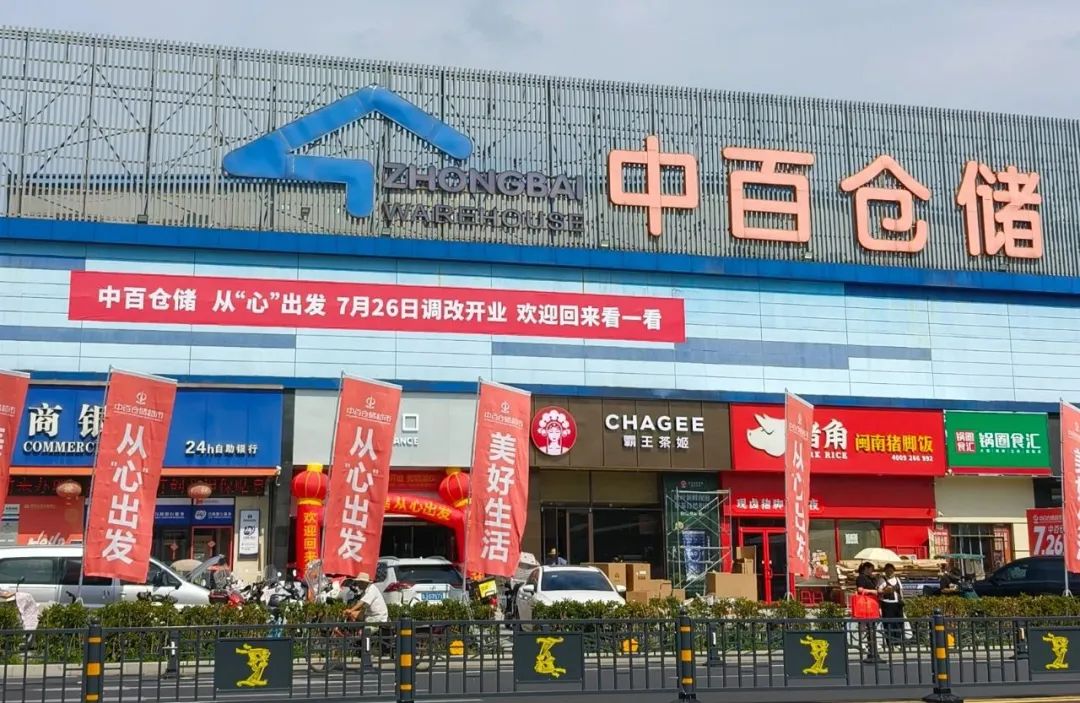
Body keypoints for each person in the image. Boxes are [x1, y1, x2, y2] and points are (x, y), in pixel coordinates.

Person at [854, 561, 881, 664]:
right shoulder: (861, 578)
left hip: (872, 603)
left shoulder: (871, 578)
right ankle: (863, 642)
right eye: (871, 569)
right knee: (863, 624)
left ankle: (872, 644)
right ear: (866, 568)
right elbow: (860, 589)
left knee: (872, 624)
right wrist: (871, 591)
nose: (872, 571)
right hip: (865, 602)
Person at [877, 564, 905, 647]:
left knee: (899, 622)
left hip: (897, 604)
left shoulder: (897, 579)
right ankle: (890, 642)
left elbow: (901, 591)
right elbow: (879, 591)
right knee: (889, 623)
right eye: (888, 570)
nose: (889, 572)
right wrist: (886, 591)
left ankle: (898, 641)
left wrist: (902, 599)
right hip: (887, 604)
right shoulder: (882, 580)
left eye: (891, 570)